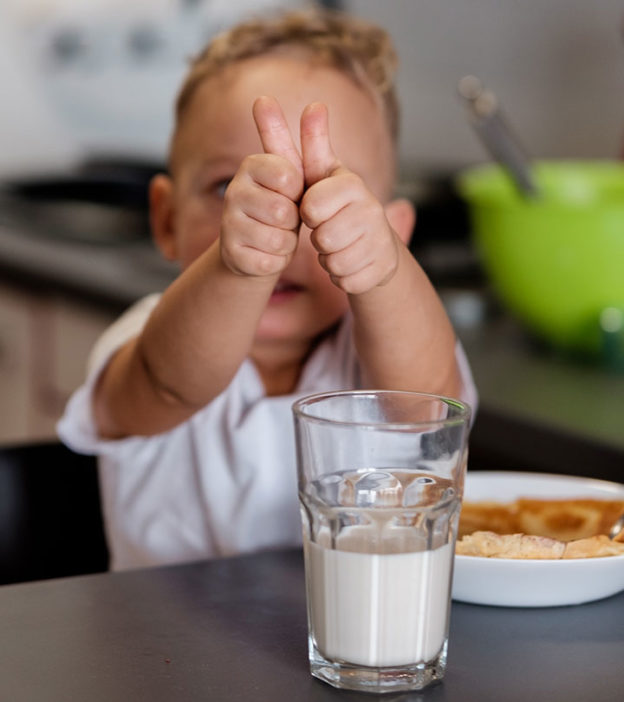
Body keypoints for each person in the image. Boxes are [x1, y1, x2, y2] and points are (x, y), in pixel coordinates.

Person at [58, 8, 477, 571]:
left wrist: (383, 274)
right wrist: (237, 268)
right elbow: (171, 385)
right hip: (160, 656)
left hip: (353, 654)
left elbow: (428, 404)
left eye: (328, 193)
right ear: (165, 219)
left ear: (394, 233)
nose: (282, 221)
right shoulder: (146, 334)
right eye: (227, 186)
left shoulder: (382, 354)